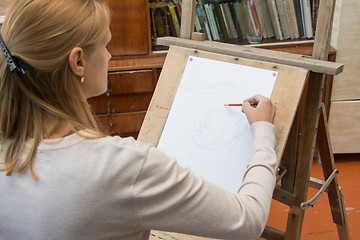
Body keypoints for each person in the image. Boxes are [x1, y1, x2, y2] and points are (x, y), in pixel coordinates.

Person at [0, 0, 277, 240]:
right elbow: (249, 218)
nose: (109, 55)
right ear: (78, 62)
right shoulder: (123, 166)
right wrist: (264, 130)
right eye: (106, 45)